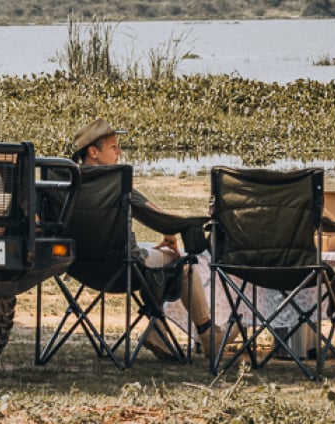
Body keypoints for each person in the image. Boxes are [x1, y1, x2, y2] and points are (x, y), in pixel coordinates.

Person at [71, 118, 234, 360]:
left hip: (79, 267)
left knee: (160, 263)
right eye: (113, 146)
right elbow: (158, 216)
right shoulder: (116, 182)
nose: (119, 151)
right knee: (184, 265)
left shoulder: (64, 180)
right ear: (93, 152)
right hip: (124, 268)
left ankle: (157, 330)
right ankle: (208, 336)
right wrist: (176, 229)